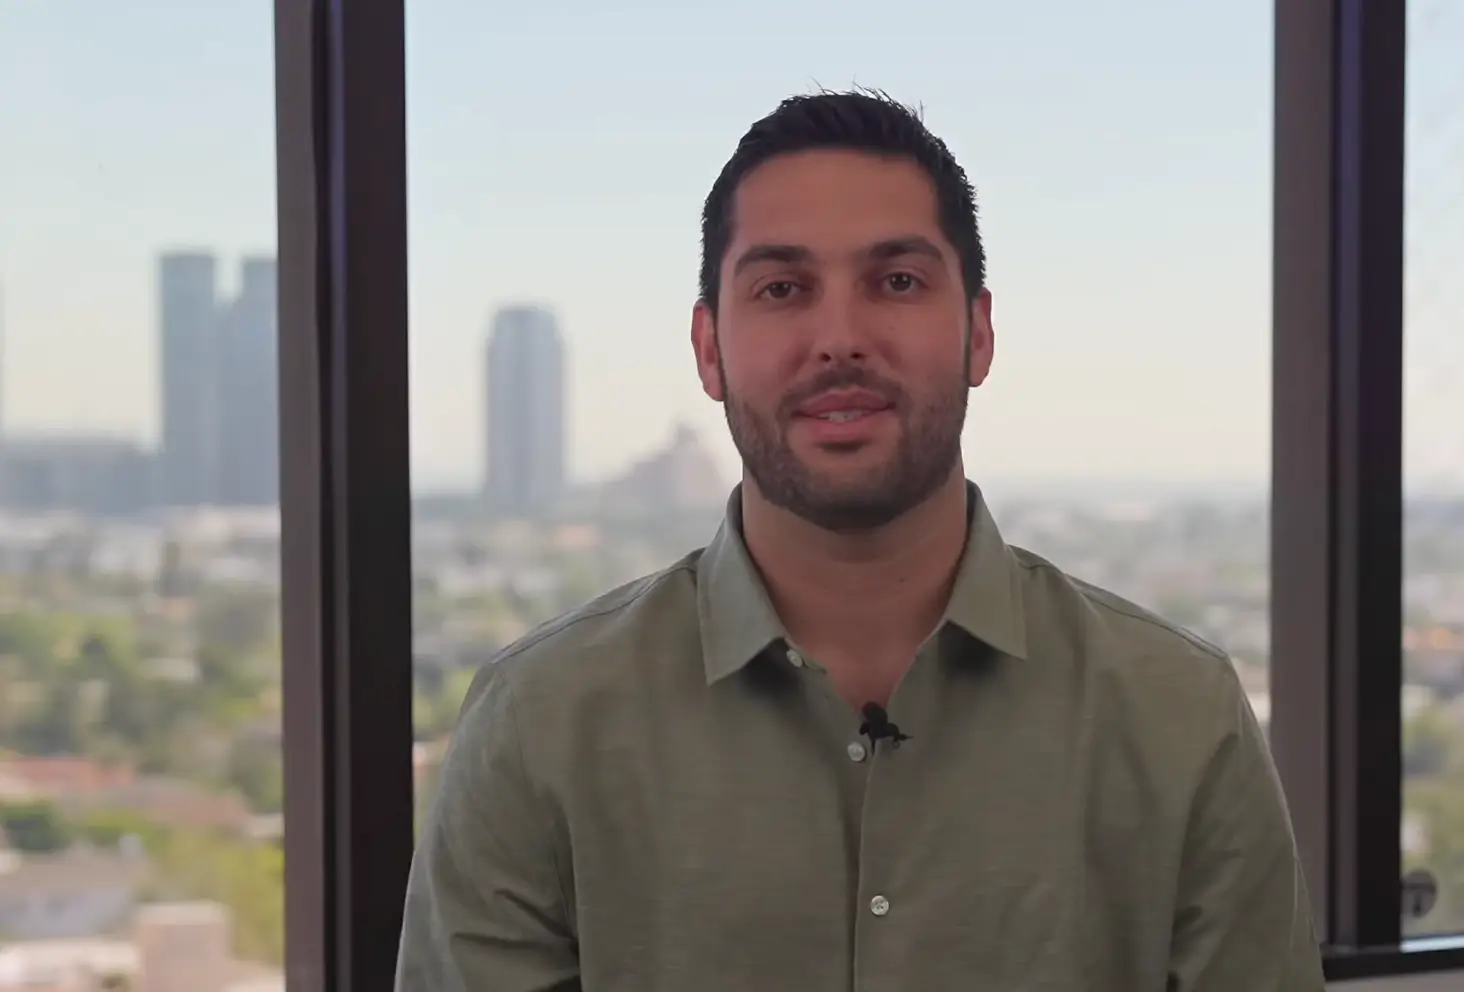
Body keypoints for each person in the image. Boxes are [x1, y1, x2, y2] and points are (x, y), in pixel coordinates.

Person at [397, 88, 1327, 992]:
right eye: (782, 288)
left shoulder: (1178, 720)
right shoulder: (540, 726)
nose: (839, 337)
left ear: (978, 333)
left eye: (897, 282)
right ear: (710, 350)